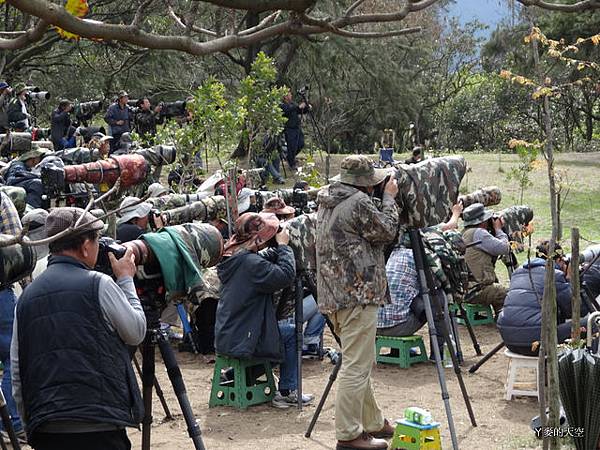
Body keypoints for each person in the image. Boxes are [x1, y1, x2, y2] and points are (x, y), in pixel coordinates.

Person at [11, 207, 146, 449]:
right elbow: (136, 331)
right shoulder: (99, 284)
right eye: (97, 241)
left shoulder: (26, 296)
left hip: (47, 427)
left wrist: (32, 422)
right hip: (99, 424)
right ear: (85, 245)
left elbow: (17, 370)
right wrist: (126, 280)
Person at [316, 154, 399, 450]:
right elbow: (386, 231)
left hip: (334, 295)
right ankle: (349, 435)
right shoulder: (358, 202)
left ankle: (373, 421)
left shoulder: (327, 201)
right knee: (356, 365)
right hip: (358, 294)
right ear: (366, 184)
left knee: (361, 361)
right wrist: (389, 198)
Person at [215, 212, 313, 408]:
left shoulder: (235, 256)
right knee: (291, 334)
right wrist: (284, 246)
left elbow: (261, 257)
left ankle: (235, 376)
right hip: (244, 339)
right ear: (258, 237)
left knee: (279, 333)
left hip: (231, 334)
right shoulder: (251, 264)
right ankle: (287, 391)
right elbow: (285, 275)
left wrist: (275, 248)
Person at [377, 204, 463, 341]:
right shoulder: (419, 256)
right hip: (399, 326)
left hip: (375, 325)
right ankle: (441, 350)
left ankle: (397, 351)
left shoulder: (391, 254)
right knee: (438, 296)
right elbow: (434, 286)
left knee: (405, 295)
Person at [497, 241, 588, 356]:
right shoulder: (554, 275)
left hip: (510, 342)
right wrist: (571, 279)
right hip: (537, 343)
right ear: (559, 260)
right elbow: (577, 311)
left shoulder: (518, 273)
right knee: (593, 322)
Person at [263, 197, 326, 357]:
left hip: (276, 312)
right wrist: (284, 246)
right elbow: (285, 276)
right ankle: (310, 341)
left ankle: (309, 341)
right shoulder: (278, 244)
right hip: (278, 314)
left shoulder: (260, 237)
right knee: (325, 299)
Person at [0, 192, 26, 444]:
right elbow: (18, 248)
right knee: (10, 357)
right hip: (0, 292)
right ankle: (12, 424)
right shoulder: (1, 200)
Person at [461, 202, 510, 315]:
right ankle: (502, 318)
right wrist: (498, 230)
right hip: (476, 291)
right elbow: (504, 248)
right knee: (507, 293)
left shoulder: (464, 233)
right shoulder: (479, 233)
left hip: (464, 289)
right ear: (482, 221)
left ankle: (499, 313)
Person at [280, 89, 309, 171]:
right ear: (285, 96)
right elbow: (288, 110)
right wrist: (298, 107)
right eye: (289, 94)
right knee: (292, 146)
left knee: (301, 143)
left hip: (297, 128)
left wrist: (306, 107)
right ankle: (291, 163)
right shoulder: (282, 105)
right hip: (289, 129)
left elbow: (299, 110)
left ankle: (289, 157)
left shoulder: (292, 103)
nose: (291, 95)